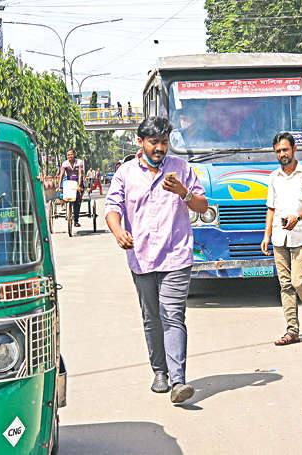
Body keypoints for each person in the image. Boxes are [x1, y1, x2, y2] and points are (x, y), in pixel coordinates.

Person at [105, 116, 208, 404]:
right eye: (154, 142)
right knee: (152, 317)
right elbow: (112, 207)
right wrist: (118, 232)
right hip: (141, 258)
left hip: (176, 256)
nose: (160, 148)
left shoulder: (181, 169)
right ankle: (159, 371)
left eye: (164, 142)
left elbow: (202, 205)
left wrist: (183, 192)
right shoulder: (125, 173)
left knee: (173, 315)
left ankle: (178, 381)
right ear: (140, 142)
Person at [261, 132, 302, 346]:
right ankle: (292, 331)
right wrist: (267, 235)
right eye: (278, 151)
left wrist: (298, 217)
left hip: (299, 237)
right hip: (279, 238)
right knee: (285, 285)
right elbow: (271, 208)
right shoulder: (273, 177)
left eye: (285, 150)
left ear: (294, 149)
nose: (282, 154)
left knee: (299, 282)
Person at [58, 149, 84, 227]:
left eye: (71, 154)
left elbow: (80, 174)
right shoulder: (65, 164)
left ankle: (76, 220)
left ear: (74, 155)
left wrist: (78, 185)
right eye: (68, 155)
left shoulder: (79, 162)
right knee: (62, 193)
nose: (70, 156)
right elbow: (61, 175)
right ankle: (65, 205)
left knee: (77, 200)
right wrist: (59, 186)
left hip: (78, 182)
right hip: (69, 182)